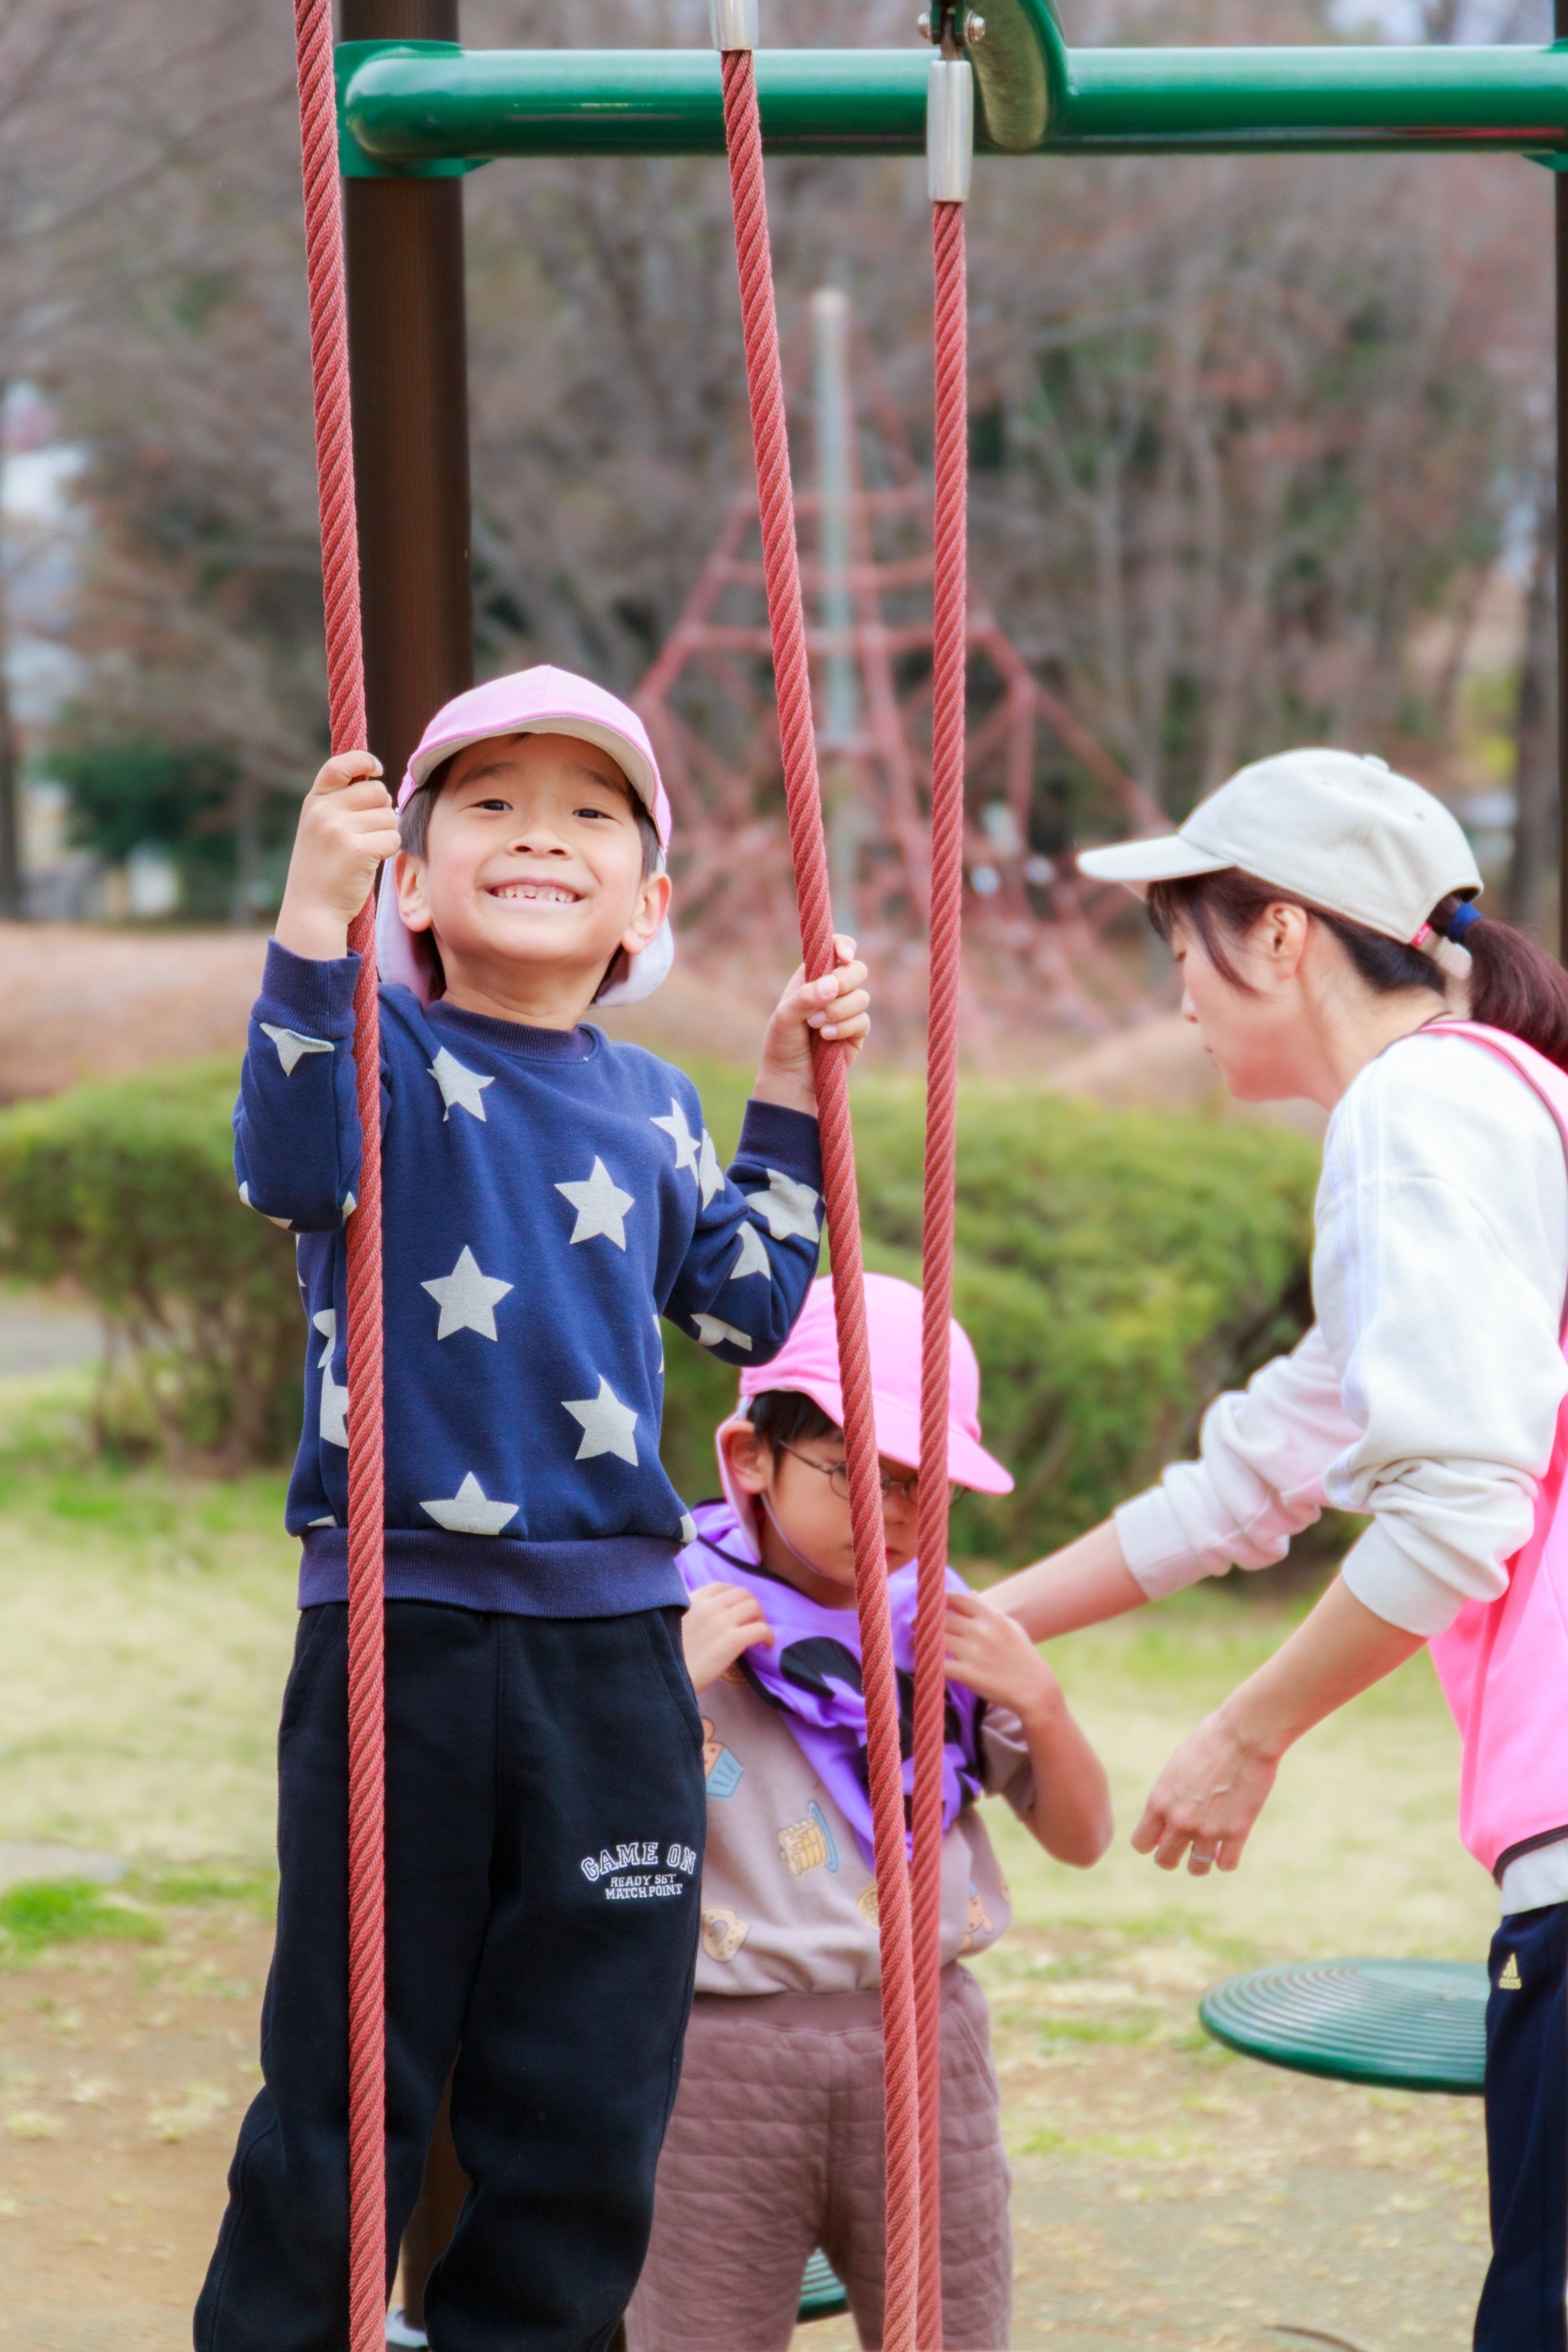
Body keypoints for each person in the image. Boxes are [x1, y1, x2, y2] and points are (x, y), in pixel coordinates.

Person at [195, 667, 873, 2352]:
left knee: (585, 2087)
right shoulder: (375, 1045)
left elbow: (740, 1304)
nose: (537, 837)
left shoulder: (654, 1104)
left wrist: (785, 1086)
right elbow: (286, 1165)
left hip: (615, 1649)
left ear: (643, 905)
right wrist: (307, 918)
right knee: (351, 2078)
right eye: (487, 807)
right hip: (404, 1625)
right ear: (411, 879)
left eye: (588, 815)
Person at [993, 747, 1568, 2352]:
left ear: (1287, 933)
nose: (1175, 989)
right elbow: (1251, 1480)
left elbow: (1460, 1507)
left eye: (1182, 938)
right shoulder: (1490, 1105)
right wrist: (961, 1619)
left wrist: (1245, 1731)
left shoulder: (1416, 1114)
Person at [624, 1271, 1112, 2352]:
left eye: (921, 1487)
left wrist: (1040, 1696)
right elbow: (583, 1840)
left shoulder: (943, 1625)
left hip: (928, 2046)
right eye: (855, 1477)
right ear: (750, 1456)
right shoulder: (668, 1606)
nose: (891, 1518)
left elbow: (1081, 1838)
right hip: (717, 2058)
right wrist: (663, 1697)